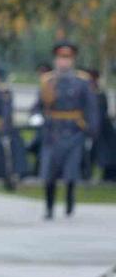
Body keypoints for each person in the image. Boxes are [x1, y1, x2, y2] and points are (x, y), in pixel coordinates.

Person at [35, 41, 97, 217]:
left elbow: (91, 108)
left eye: (67, 58)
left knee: (71, 171)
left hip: (74, 131)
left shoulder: (82, 81)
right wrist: (37, 116)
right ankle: (49, 207)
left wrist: (92, 130)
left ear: (72, 60)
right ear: (56, 59)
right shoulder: (47, 80)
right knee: (49, 173)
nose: (63, 62)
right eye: (61, 58)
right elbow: (38, 105)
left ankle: (70, 199)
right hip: (52, 132)